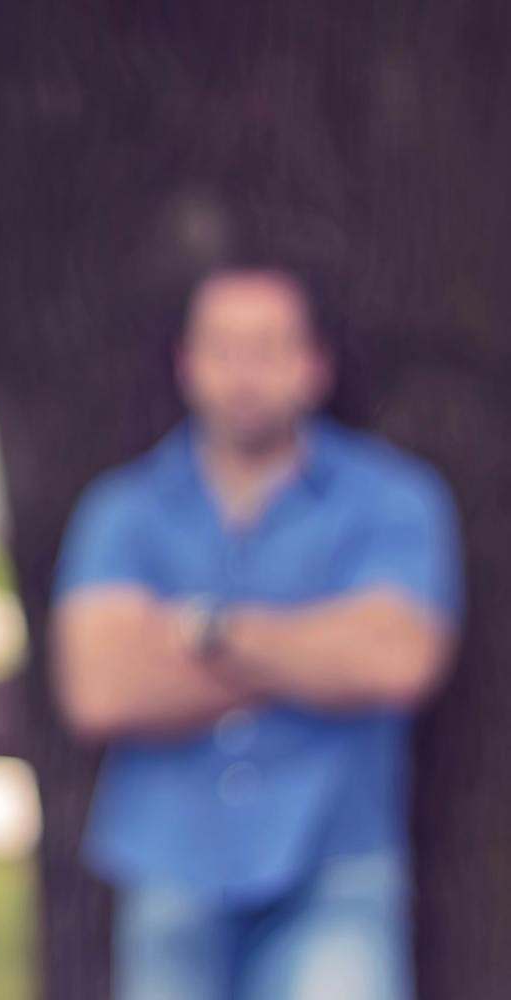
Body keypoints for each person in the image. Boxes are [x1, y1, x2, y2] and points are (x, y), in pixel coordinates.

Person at [52, 266, 462, 1000]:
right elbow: (100, 692)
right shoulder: (123, 510)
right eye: (223, 349)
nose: (244, 374)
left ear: (315, 364)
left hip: (334, 865)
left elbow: (395, 661)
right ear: (186, 363)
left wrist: (201, 632)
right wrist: (311, 656)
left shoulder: (395, 499)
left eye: (268, 349)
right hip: (168, 869)